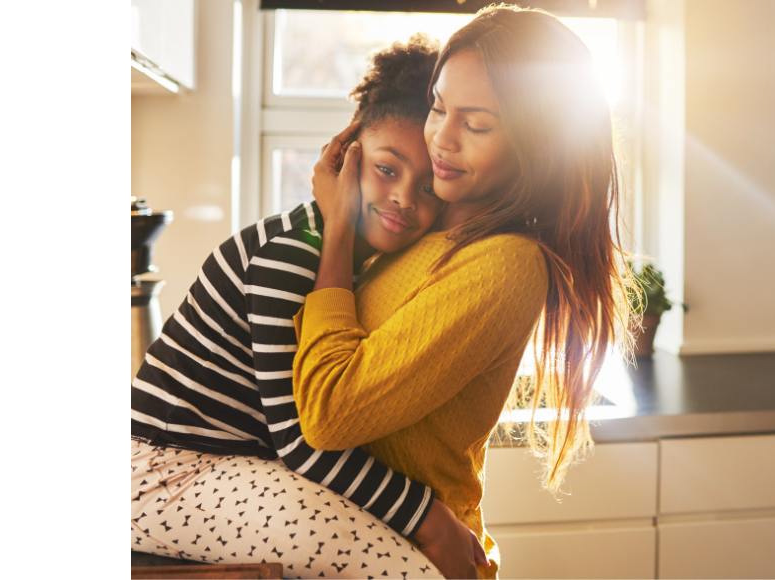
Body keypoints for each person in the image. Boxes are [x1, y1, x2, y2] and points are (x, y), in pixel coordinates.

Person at [293, 7, 635, 579]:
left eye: (476, 126)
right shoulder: (429, 221)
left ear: (538, 144)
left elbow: (328, 412)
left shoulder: (506, 263)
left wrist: (334, 232)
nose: (441, 140)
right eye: (438, 107)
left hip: (414, 559)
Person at [130, 35, 488, 579]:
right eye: (387, 170)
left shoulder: (349, 259)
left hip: (230, 465)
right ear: (346, 154)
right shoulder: (291, 256)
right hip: (165, 475)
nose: (404, 198)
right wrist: (431, 519)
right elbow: (303, 441)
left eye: (428, 188)